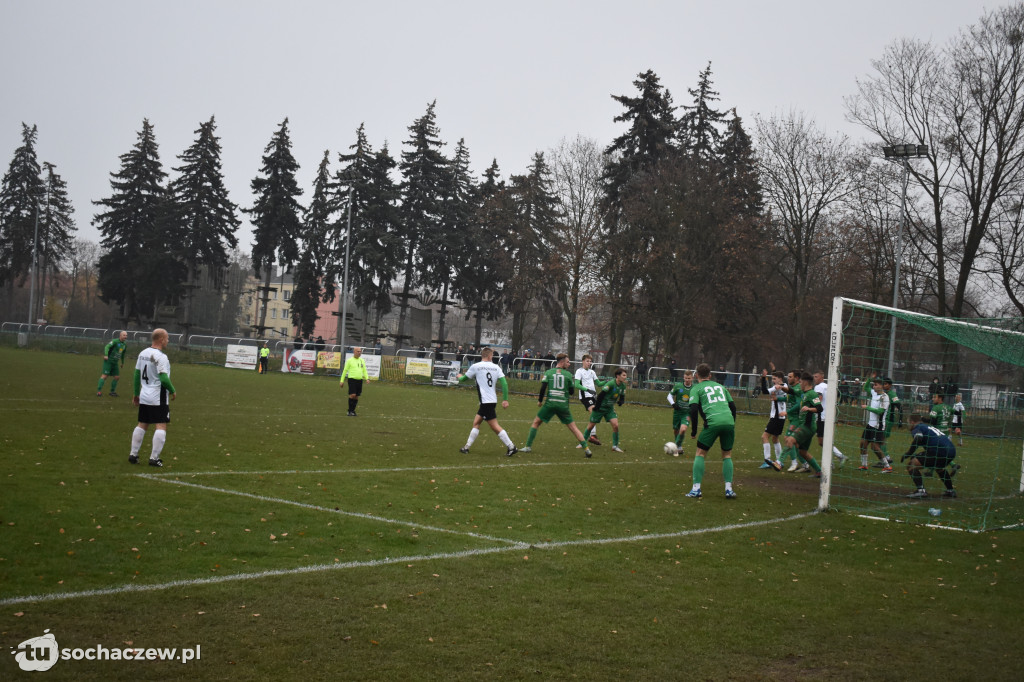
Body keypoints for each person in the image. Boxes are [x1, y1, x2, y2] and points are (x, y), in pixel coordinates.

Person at [520, 353, 593, 457]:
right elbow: (572, 392)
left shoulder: (549, 372)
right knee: (573, 428)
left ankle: (527, 446)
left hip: (550, 404)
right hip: (563, 405)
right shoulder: (568, 375)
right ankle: (587, 449)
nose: (569, 364)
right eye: (567, 362)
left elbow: (543, 388)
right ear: (562, 362)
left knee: (536, 422)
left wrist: (540, 401)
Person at [685, 363, 738, 499]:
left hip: (713, 422)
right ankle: (729, 489)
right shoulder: (721, 387)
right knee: (727, 455)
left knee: (700, 453)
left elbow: (693, 409)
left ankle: (696, 489)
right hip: (728, 421)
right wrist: (731, 423)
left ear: (696, 375)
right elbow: (733, 407)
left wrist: (694, 431)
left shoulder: (696, 389)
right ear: (710, 375)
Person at [455, 348, 517, 457]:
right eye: (492, 356)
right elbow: (504, 384)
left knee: (494, 426)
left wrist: (459, 376)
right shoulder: (496, 367)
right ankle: (466, 447)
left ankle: (511, 446)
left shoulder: (476, 366)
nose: (492, 358)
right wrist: (505, 399)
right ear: (489, 356)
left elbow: (464, 379)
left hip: (485, 402)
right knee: (476, 422)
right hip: (491, 401)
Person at [128, 328, 176, 467]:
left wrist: (136, 394)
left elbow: (136, 375)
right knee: (161, 425)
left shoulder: (143, 353)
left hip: (144, 394)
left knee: (142, 423)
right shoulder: (161, 357)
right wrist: (173, 390)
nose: (168, 341)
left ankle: (133, 454)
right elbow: (164, 378)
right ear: (161, 339)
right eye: (167, 338)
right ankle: (154, 458)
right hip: (157, 395)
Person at [902, 413, 958, 499]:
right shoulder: (926, 426)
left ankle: (921, 491)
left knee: (911, 465)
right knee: (939, 467)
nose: (907, 424)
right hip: (951, 451)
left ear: (912, 422)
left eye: (908, 422)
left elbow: (918, 438)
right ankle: (950, 490)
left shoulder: (917, 428)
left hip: (939, 451)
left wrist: (909, 453)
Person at [779, 373, 825, 478]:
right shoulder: (802, 392)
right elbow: (791, 391)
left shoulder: (812, 394)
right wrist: (781, 387)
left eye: (800, 382)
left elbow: (819, 408)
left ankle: (779, 462)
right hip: (805, 425)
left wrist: (809, 409)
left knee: (790, 440)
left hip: (807, 426)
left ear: (805, 382)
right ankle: (819, 471)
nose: (799, 384)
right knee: (803, 452)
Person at [582, 368, 628, 452]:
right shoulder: (610, 384)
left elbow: (622, 396)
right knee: (591, 426)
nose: (625, 377)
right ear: (618, 376)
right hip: (600, 408)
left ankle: (615, 446)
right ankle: (582, 443)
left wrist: (621, 401)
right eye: (624, 375)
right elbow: (600, 395)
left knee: (616, 425)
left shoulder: (623, 386)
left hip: (609, 409)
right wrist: (597, 407)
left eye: (626, 375)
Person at [814, 370, 847, 466]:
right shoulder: (828, 386)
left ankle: (839, 456)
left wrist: (811, 406)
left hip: (822, 416)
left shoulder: (818, 387)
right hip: (829, 416)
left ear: (822, 378)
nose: (814, 379)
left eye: (816, 376)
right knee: (825, 440)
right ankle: (831, 463)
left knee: (822, 441)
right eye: (814, 376)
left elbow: (818, 399)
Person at [858, 378, 891, 471]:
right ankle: (864, 465)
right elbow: (866, 387)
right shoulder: (874, 393)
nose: (874, 386)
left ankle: (887, 466)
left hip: (878, 426)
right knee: (863, 443)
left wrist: (867, 407)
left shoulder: (885, 397)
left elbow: (880, 411)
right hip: (870, 424)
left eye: (876, 384)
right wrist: (870, 378)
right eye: (874, 384)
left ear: (881, 386)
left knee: (875, 447)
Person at [760, 371, 787, 470]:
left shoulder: (780, 387)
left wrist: (763, 379)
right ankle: (779, 461)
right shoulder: (783, 386)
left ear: (780, 379)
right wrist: (763, 378)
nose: (773, 381)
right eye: (772, 379)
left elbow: (764, 391)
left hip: (776, 417)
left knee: (764, 437)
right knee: (775, 438)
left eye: (774, 379)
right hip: (780, 417)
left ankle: (767, 460)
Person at [574, 354, 602, 446]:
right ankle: (592, 435)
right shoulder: (579, 371)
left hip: (593, 395)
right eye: (587, 361)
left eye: (590, 361)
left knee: (596, 414)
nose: (589, 363)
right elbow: (577, 385)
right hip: (585, 396)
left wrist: (609, 382)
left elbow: (598, 383)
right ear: (583, 361)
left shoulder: (592, 372)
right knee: (593, 411)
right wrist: (587, 390)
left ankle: (592, 435)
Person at [667, 369, 696, 456]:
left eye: (689, 378)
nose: (687, 380)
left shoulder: (694, 388)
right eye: (686, 378)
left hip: (687, 413)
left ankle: (675, 447)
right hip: (677, 412)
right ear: (683, 377)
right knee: (676, 430)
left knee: (683, 429)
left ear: (692, 378)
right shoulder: (678, 386)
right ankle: (679, 446)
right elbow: (669, 396)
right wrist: (673, 404)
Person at [97, 330, 128, 397]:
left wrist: (122, 362)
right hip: (108, 361)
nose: (125, 336)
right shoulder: (115, 341)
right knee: (105, 376)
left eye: (126, 335)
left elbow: (122, 354)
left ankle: (112, 392)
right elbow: (107, 347)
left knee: (117, 377)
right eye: (124, 335)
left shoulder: (124, 345)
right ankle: (99, 391)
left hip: (115, 363)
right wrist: (106, 355)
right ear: (120, 335)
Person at [340, 347, 369, 416]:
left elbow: (364, 370)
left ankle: (353, 411)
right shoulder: (350, 360)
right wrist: (342, 381)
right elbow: (345, 371)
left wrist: (367, 378)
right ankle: (349, 411)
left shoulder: (362, 360)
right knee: (353, 395)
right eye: (358, 351)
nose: (359, 353)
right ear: (354, 352)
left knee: (356, 396)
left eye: (360, 351)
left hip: (360, 380)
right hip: (352, 379)